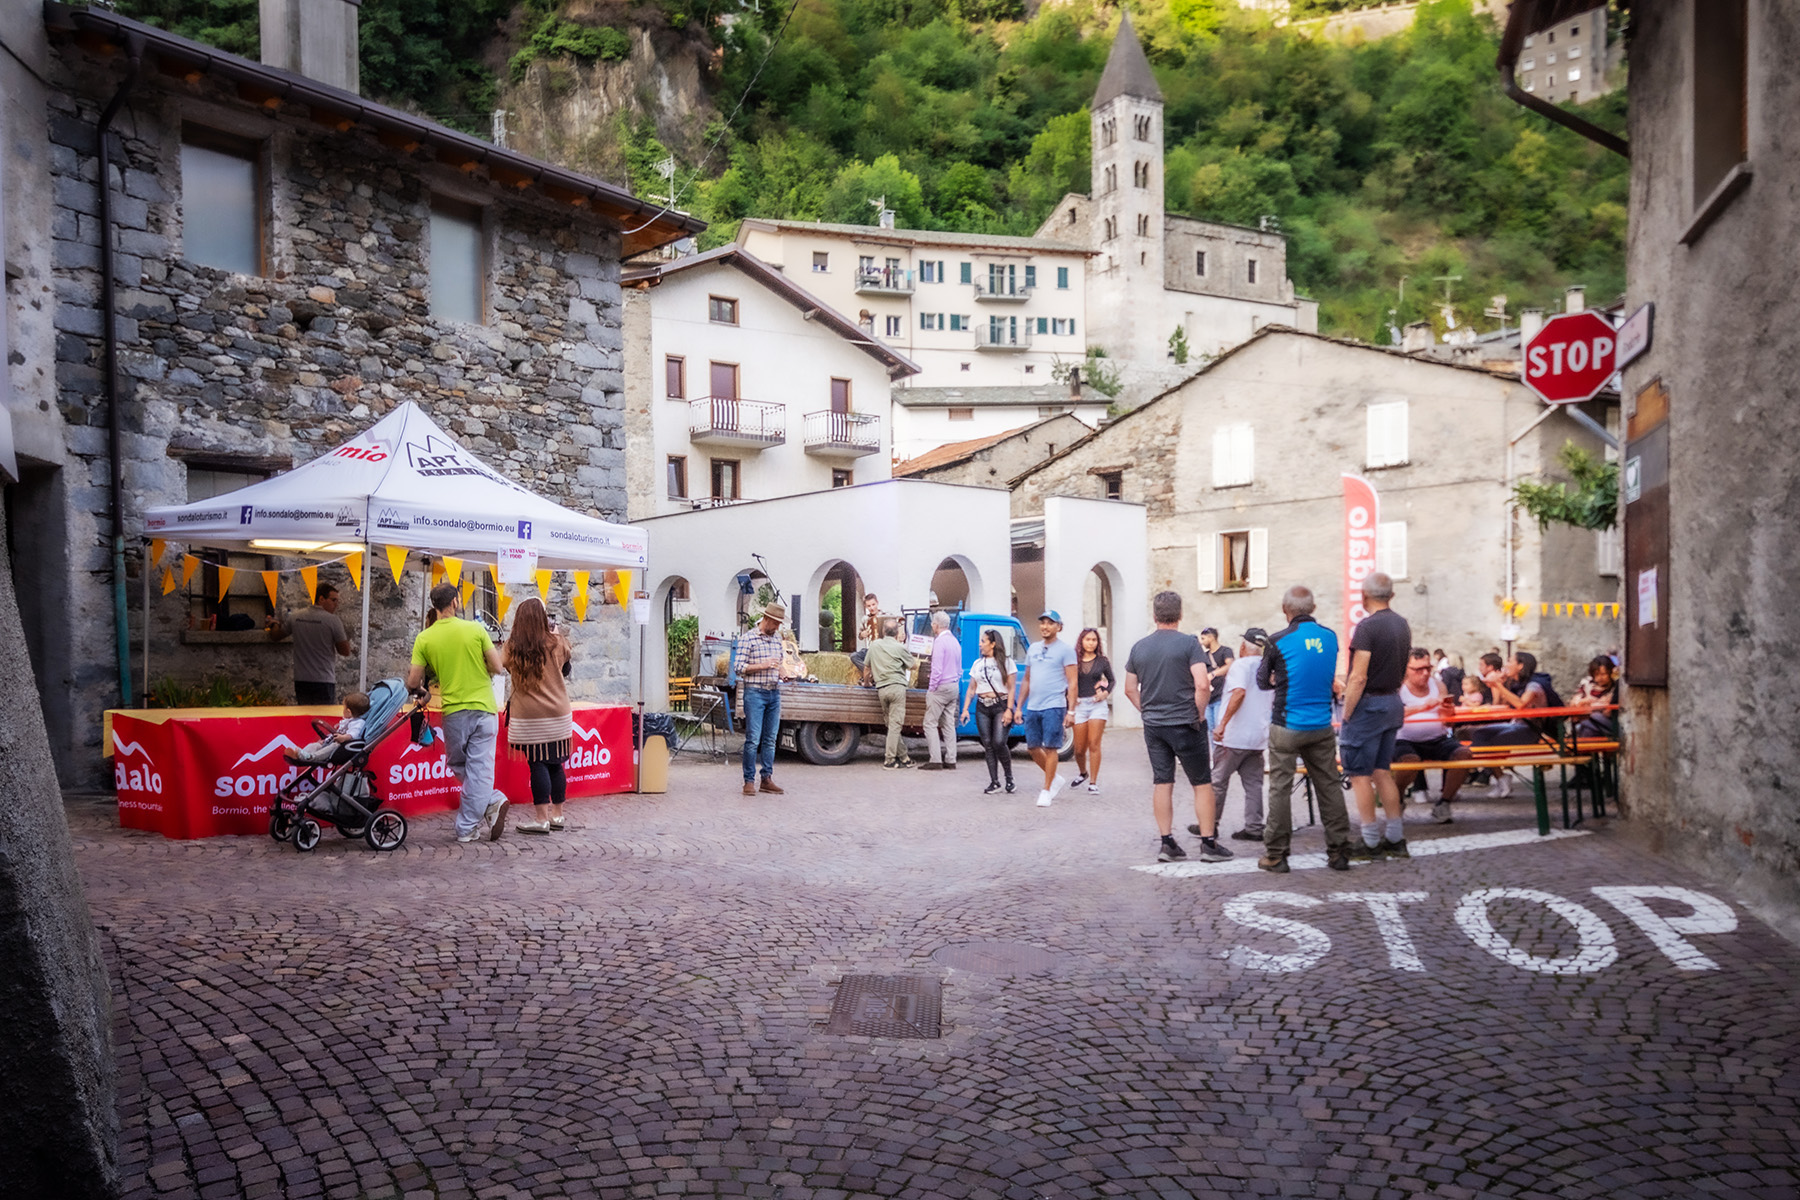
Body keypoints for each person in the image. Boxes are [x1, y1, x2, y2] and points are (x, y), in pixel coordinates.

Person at [1124, 592, 1231, 863]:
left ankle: (1167, 842)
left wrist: (1146, 710)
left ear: (1155, 615)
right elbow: (1203, 684)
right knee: (1201, 782)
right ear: (1180, 614)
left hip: (1154, 724)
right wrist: (1199, 712)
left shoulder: (1139, 647)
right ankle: (1208, 844)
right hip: (1186, 721)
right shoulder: (1189, 644)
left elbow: (1128, 689)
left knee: (1162, 781)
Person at [1257, 584, 1351, 874]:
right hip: (1321, 724)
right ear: (1312, 609)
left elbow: (1262, 681)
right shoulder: (1331, 637)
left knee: (1280, 789)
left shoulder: (1277, 641)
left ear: (1286, 610)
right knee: (1329, 787)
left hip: (1287, 723)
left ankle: (1276, 854)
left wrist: (1278, 679)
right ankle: (1339, 852)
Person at [407, 582, 508, 843]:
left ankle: (472, 820)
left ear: (435, 606)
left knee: (459, 765)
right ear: (455, 602)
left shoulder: (424, 637)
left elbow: (412, 682)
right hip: (484, 707)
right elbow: (497, 667)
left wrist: (425, 691)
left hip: (453, 710)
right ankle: (486, 806)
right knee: (480, 769)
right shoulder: (475, 629)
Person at [1338, 572, 1413, 861]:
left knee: (1359, 774)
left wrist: (1347, 712)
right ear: (1391, 595)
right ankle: (1395, 837)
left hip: (1369, 704)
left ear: (1363, 595)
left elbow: (1358, 676)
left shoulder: (1367, 628)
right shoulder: (1401, 625)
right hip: (1393, 701)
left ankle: (1370, 840)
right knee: (1382, 771)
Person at [502, 597, 574, 834]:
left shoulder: (512, 647)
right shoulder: (557, 643)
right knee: (556, 763)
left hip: (529, 716)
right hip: (558, 711)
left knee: (538, 763)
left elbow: (502, 664)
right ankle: (558, 815)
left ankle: (541, 818)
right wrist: (554, 633)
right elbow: (566, 669)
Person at [1394, 648, 1472, 824]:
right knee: (1409, 761)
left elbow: (1449, 722)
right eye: (1418, 669)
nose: (1424, 674)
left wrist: (1448, 714)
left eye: (1428, 668)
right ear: (1406, 668)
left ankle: (1444, 802)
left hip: (1438, 738)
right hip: (1405, 739)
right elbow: (1392, 714)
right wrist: (1423, 707)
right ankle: (1396, 798)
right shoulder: (1398, 688)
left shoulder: (1438, 685)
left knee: (1464, 755)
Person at [1209, 629, 1273, 842]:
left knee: (1218, 780)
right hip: (1257, 735)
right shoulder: (1268, 667)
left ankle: (1210, 825)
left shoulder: (1240, 666)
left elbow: (1239, 693)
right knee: (1254, 783)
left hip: (1234, 735)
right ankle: (1254, 827)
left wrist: (1222, 725)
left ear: (1244, 646)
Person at [1014, 610, 1078, 807]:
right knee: (1033, 747)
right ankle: (1054, 777)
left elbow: (1072, 681)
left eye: (1050, 623)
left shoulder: (1066, 650)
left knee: (1051, 747)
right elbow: (1027, 679)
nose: (1045, 626)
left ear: (1058, 626)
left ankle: (1047, 789)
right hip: (1033, 705)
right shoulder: (1033, 648)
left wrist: (1071, 711)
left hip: (1054, 705)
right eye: (1042, 623)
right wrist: (1018, 707)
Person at [269, 584, 353, 705]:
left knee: (305, 718)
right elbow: (345, 651)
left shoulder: (296, 617)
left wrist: (274, 623)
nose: (336, 604)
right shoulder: (333, 620)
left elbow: (276, 636)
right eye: (333, 600)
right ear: (321, 599)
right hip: (324, 679)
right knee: (323, 718)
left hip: (301, 679)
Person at [736, 600, 787, 796]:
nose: (777, 627)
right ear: (766, 619)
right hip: (755, 692)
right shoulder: (748, 639)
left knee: (770, 738)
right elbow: (739, 668)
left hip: (774, 692)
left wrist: (783, 672)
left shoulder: (777, 639)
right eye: (775, 623)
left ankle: (766, 778)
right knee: (753, 739)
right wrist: (764, 665)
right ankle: (748, 781)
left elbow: (779, 662)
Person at [961, 629, 1015, 795]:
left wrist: (1009, 710)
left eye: (983, 641)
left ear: (993, 644)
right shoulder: (977, 664)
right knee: (988, 745)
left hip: (1000, 705)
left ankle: (1009, 778)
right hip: (982, 706)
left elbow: (1011, 688)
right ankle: (994, 781)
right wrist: (965, 709)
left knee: (999, 742)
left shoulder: (1006, 662)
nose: (980, 644)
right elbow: (972, 688)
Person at [864, 617, 917, 769]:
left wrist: (867, 683)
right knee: (895, 726)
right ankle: (889, 760)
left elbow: (867, 668)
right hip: (897, 688)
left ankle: (905, 757)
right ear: (896, 633)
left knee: (892, 725)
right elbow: (913, 665)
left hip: (881, 689)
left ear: (883, 631)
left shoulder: (874, 645)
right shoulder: (899, 648)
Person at [1071, 627, 1115, 794]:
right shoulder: (1074, 660)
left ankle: (1093, 782)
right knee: (1079, 748)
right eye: (1088, 639)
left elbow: (1111, 680)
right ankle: (1083, 772)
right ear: (1082, 641)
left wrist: (1105, 693)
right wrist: (1070, 697)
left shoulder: (1102, 661)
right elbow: (1067, 680)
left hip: (1097, 705)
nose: (1091, 643)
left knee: (1094, 744)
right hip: (1079, 705)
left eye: (1094, 640)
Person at [920, 610, 963, 771]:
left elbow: (936, 669)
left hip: (941, 687)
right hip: (953, 685)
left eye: (932, 623)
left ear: (936, 625)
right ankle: (951, 759)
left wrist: (931, 688)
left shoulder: (939, 642)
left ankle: (935, 759)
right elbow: (959, 669)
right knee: (948, 724)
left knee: (930, 723)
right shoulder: (955, 642)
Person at [288, 691, 370, 764]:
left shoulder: (358, 722)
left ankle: (311, 757)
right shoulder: (347, 721)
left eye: (344, 708)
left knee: (334, 746)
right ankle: (300, 754)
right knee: (315, 745)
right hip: (332, 743)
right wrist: (327, 740)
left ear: (348, 712)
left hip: (342, 748)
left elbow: (354, 733)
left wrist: (344, 737)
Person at [1573, 656, 1619, 738]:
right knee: (1588, 730)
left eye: (1603, 674)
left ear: (1610, 673)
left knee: (1590, 721)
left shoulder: (1615, 687)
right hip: (1591, 725)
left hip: (1607, 725)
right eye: (1597, 674)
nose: (1600, 678)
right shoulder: (1587, 683)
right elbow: (1575, 702)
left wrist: (1588, 705)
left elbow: (1607, 711)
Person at [1199, 627, 1234, 731]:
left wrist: (1213, 674)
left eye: (1203, 638)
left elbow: (1230, 665)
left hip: (1221, 696)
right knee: (1210, 729)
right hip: (1208, 699)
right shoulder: (1204, 656)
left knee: (1220, 728)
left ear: (1211, 638)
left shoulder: (1225, 651)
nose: (1202, 642)